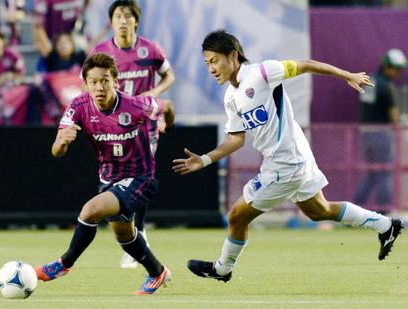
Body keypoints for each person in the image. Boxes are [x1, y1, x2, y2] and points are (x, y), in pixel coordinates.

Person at [172, 30, 403, 283]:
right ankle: (385, 225)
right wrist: (205, 159)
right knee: (319, 210)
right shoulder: (231, 97)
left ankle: (222, 268)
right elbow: (236, 139)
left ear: (233, 55)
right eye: (207, 64)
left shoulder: (261, 72)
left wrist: (346, 75)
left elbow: (305, 65)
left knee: (236, 216)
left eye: (215, 61)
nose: (211, 68)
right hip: (293, 158)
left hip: (287, 164)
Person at [35, 53, 175, 295]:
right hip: (109, 178)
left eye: (105, 81)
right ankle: (157, 272)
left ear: (116, 82)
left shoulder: (136, 105)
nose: (99, 87)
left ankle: (64, 263)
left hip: (141, 177)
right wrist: (63, 142)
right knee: (124, 235)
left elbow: (168, 106)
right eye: (93, 82)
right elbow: (56, 151)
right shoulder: (78, 106)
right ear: (86, 84)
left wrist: (166, 123)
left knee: (90, 211)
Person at [89, 0, 175, 269]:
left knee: (140, 175)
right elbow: (88, 83)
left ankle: (140, 233)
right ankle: (131, 236)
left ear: (136, 20)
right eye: (117, 16)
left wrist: (151, 97)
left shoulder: (150, 49)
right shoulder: (101, 52)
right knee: (117, 177)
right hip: (113, 126)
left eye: (127, 16)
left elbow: (169, 76)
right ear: (111, 21)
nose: (123, 20)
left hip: (143, 123)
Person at [354, 48, 407, 212]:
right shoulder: (386, 86)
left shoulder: (369, 81)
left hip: (365, 134)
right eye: (396, 69)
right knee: (385, 173)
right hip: (382, 134)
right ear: (387, 66)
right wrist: (402, 119)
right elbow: (394, 116)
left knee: (371, 174)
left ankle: (353, 212)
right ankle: (384, 212)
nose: (397, 73)